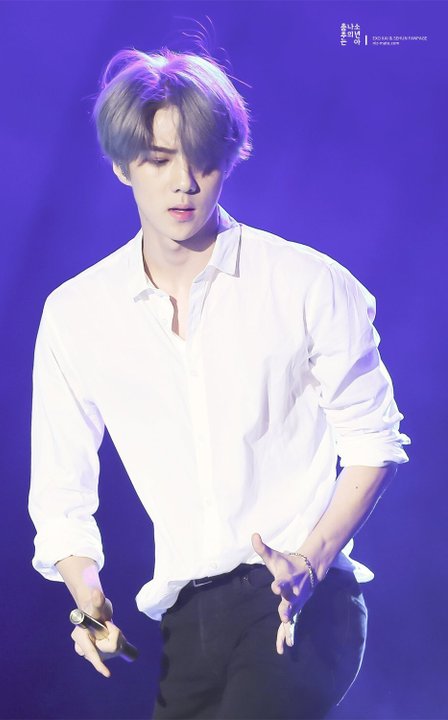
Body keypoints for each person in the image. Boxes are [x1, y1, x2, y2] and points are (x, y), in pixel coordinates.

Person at [28, 46, 410, 720]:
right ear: (122, 164)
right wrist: (88, 602)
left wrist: (310, 562)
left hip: (300, 605)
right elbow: (61, 492)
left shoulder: (305, 284)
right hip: (186, 623)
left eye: (202, 159)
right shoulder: (77, 314)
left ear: (230, 159)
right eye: (159, 159)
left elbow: (374, 443)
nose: (184, 182)